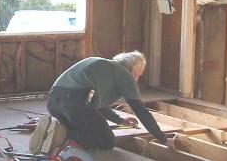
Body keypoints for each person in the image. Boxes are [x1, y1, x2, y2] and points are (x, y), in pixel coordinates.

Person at [30, 51, 167, 154]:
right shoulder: (125, 76)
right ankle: (63, 134)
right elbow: (141, 111)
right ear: (133, 69)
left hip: (54, 103)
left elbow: (96, 105)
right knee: (107, 140)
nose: (137, 79)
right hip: (75, 105)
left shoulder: (101, 65)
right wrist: (164, 139)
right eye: (138, 75)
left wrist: (120, 120)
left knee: (86, 128)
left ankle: (54, 130)